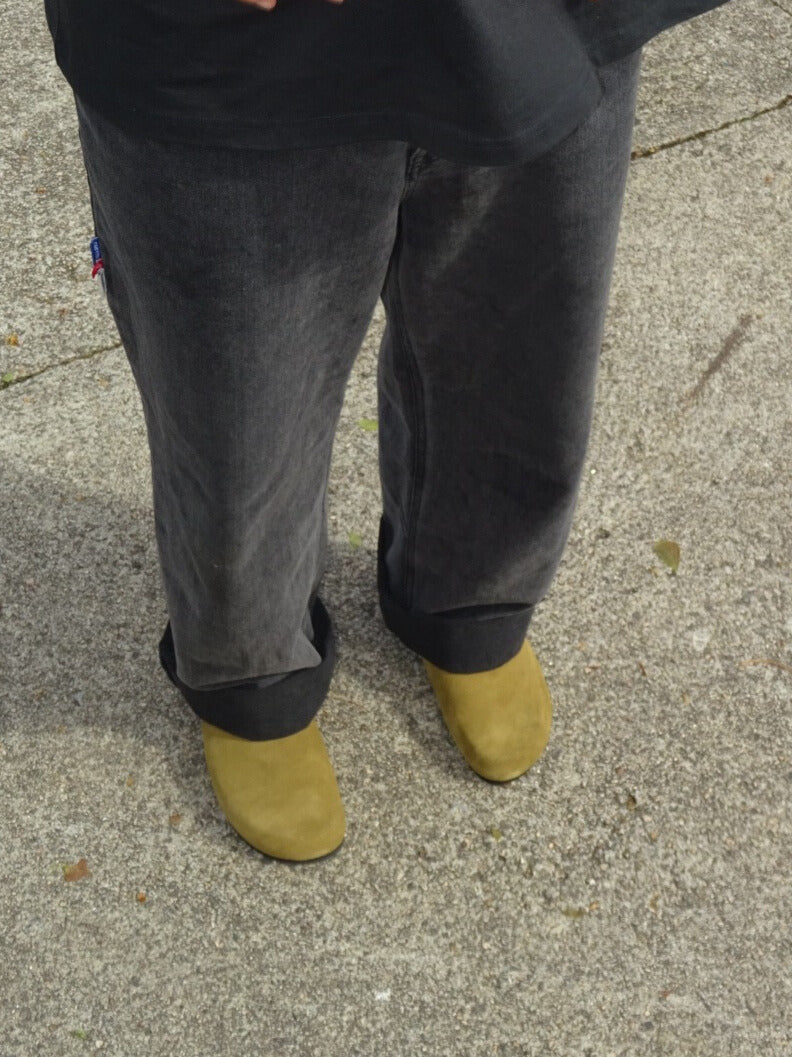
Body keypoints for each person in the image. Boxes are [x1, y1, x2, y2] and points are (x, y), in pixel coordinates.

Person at [43, 0, 732, 862]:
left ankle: (473, 595)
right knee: (238, 394)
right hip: (226, 49)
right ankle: (253, 669)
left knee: (523, 302)